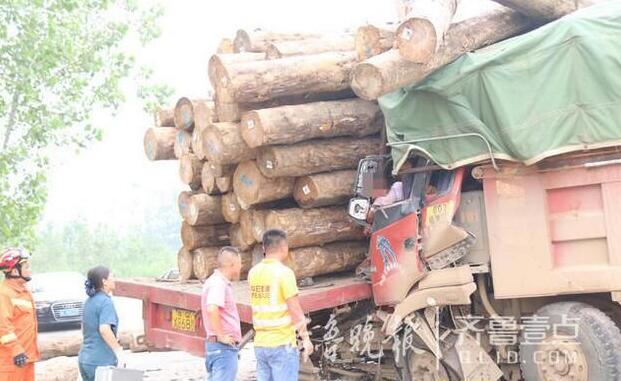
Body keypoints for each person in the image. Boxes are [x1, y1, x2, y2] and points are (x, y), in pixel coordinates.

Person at [248, 229, 314, 381]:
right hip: (281, 344)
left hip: (261, 344)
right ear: (285, 248)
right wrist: (305, 339)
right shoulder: (284, 273)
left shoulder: (253, 273)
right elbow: (295, 310)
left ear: (264, 249)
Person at [202, 246, 244, 381]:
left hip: (217, 347)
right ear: (232, 265)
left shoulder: (214, 282)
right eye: (239, 263)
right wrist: (221, 336)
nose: (241, 267)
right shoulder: (218, 284)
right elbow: (212, 308)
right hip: (222, 348)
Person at [78, 266, 125, 381]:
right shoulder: (105, 302)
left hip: (85, 359)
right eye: (112, 276)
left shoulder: (89, 302)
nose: (114, 279)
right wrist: (119, 352)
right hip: (101, 361)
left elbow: (84, 328)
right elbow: (104, 329)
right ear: (104, 282)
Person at [0, 247, 39, 381]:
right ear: (15, 271)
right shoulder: (4, 294)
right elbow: (3, 327)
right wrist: (16, 350)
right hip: (11, 360)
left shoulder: (23, 291)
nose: (30, 269)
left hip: (26, 358)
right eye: (26, 266)